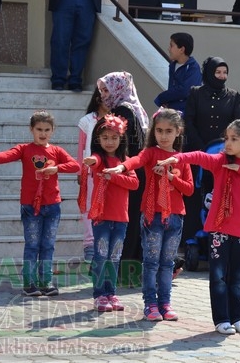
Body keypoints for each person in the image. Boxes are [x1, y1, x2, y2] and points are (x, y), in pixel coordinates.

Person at [158, 119, 240, 335]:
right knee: (218, 277)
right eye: (227, 138)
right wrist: (176, 157)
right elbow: (198, 156)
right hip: (219, 229)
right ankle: (221, 320)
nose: (228, 142)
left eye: (234, 139)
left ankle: (236, 319)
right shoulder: (220, 161)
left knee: (237, 279)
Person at [104, 108, 194, 321]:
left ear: (178, 132)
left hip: (175, 216)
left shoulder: (181, 158)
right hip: (152, 215)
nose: (163, 136)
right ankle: (150, 305)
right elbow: (136, 160)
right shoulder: (151, 153)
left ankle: (165, 303)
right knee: (151, 261)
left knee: (167, 263)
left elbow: (189, 189)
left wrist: (171, 177)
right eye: (159, 131)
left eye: (168, 131)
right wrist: (121, 168)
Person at [0, 110, 80, 296]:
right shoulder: (24, 149)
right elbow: (5, 155)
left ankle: (45, 282)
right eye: (39, 129)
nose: (43, 133)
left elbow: (75, 165)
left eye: (47, 129)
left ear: (53, 130)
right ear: (31, 129)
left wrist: (56, 168)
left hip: (52, 205)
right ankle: (29, 284)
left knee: (48, 245)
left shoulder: (56, 151)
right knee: (32, 244)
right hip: (30, 205)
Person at [81, 114, 138, 312]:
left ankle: (111, 293)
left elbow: (134, 183)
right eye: (105, 138)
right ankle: (99, 295)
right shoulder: (99, 158)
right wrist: (91, 161)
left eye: (114, 138)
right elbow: (95, 161)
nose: (109, 142)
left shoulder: (126, 162)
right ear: (98, 140)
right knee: (100, 256)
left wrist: (113, 176)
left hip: (121, 219)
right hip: (102, 218)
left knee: (114, 257)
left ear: (121, 139)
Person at [183, 56, 240, 240]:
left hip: (223, 154)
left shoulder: (233, 96)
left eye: (225, 73)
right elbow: (189, 121)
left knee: (220, 193)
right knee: (196, 194)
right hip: (198, 152)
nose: (222, 76)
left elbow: (236, 125)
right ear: (209, 73)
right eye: (218, 72)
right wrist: (202, 149)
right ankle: (193, 238)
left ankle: (221, 236)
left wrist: (224, 148)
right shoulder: (196, 93)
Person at [97, 71, 148, 281]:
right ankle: (131, 268)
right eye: (101, 90)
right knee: (133, 219)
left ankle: (121, 269)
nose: (103, 94)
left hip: (124, 171)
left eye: (106, 89)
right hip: (134, 170)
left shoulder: (121, 111)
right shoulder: (134, 108)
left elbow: (122, 145)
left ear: (118, 88)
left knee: (124, 220)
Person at [76, 87, 109, 262]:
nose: (106, 98)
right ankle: (89, 245)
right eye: (103, 94)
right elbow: (81, 148)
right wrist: (80, 171)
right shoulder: (87, 121)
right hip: (90, 172)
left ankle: (103, 244)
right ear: (97, 98)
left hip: (111, 172)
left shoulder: (118, 120)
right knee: (88, 207)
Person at [154, 32, 202, 113]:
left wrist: (162, 98)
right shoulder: (172, 66)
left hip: (186, 115)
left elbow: (185, 91)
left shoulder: (193, 67)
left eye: (171, 45)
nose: (169, 49)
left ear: (182, 49)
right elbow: (172, 88)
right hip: (172, 112)